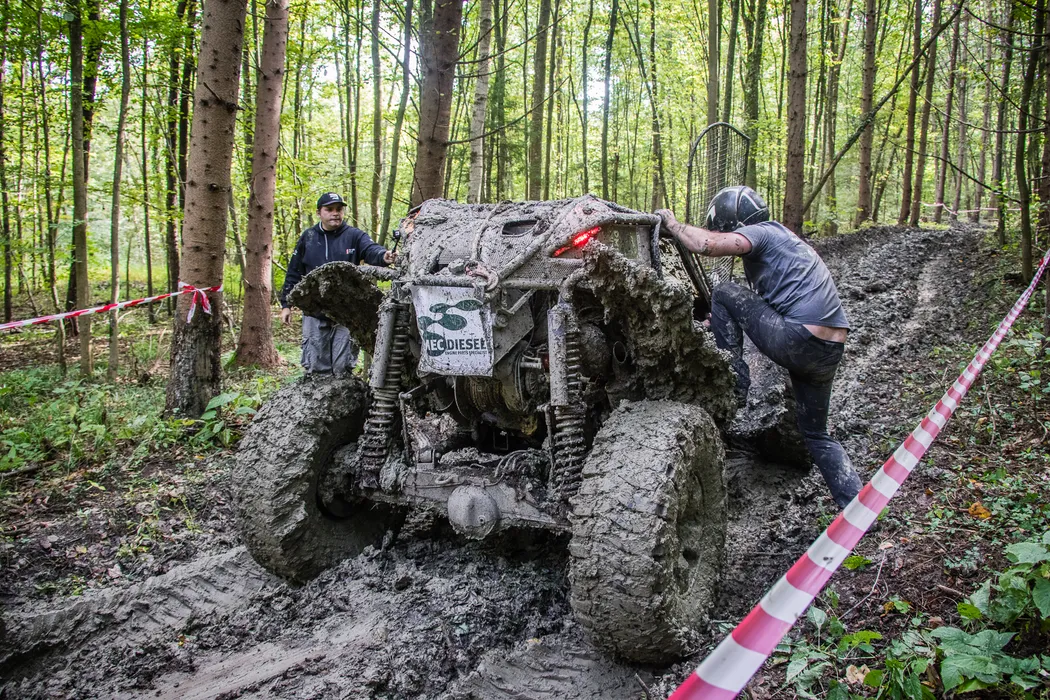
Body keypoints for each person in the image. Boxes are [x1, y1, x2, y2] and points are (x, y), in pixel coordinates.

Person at [656, 186, 863, 509]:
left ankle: (734, 384)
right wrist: (720, 321)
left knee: (723, 291)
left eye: (721, 228)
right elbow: (764, 312)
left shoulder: (761, 233)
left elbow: (707, 245)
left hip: (798, 337)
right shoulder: (786, 242)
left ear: (733, 223)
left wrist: (672, 224)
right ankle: (857, 507)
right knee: (816, 435)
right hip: (828, 348)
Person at [280, 192, 396, 375]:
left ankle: (344, 391)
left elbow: (371, 250)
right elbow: (294, 271)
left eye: (339, 209)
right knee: (316, 367)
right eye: (329, 209)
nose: (335, 213)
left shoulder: (354, 236)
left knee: (343, 367)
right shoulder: (308, 237)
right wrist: (286, 305)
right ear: (319, 212)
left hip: (347, 314)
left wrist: (384, 256)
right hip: (314, 313)